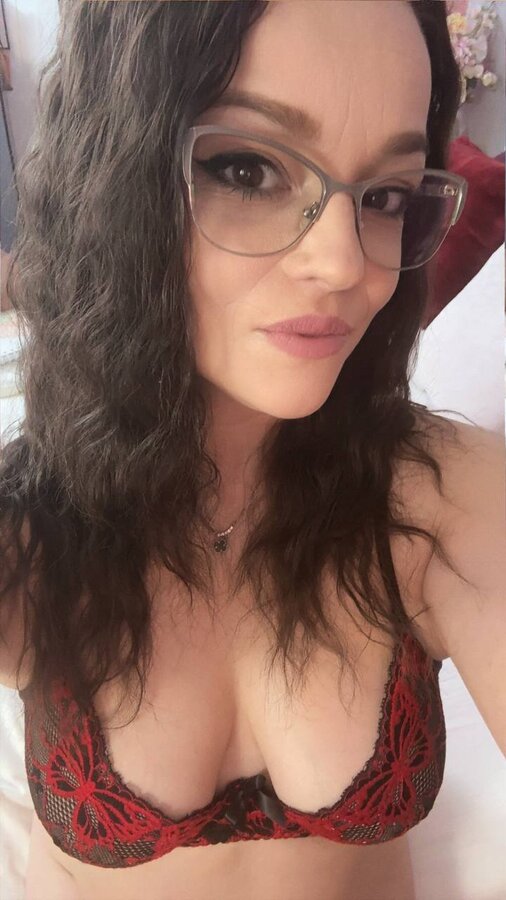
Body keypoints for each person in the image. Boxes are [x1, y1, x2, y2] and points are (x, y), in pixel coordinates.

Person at [0, 2, 504, 900]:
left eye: (385, 196)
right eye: (247, 168)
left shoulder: (445, 503)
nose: (344, 264)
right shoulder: (33, 537)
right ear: (113, 177)